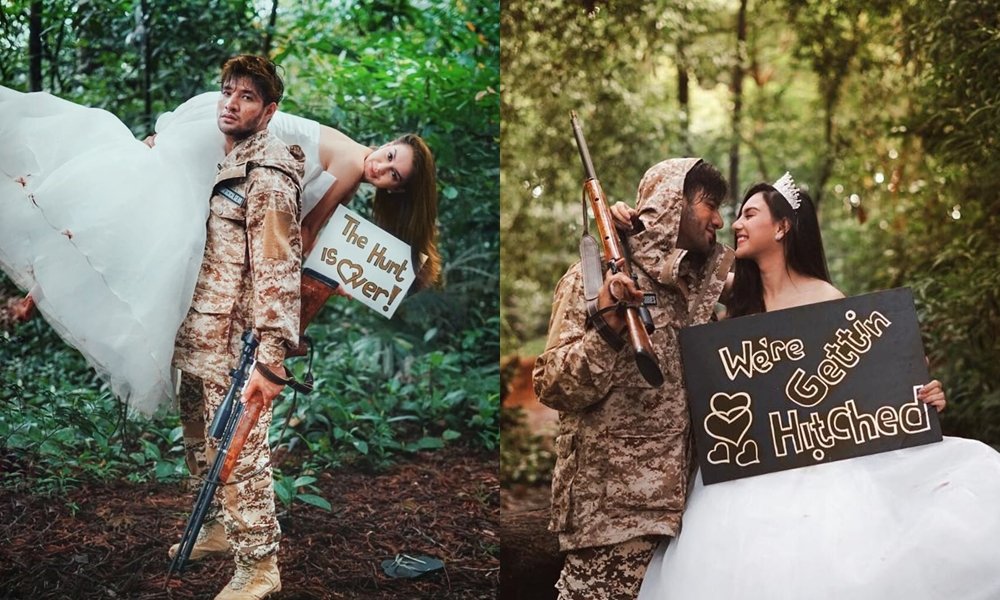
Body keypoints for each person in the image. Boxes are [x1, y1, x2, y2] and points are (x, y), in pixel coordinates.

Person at [627, 175, 1000, 599]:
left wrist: (919, 394)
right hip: (743, 473)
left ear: (782, 227)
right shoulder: (729, 302)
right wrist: (629, 222)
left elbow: (869, 376)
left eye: (750, 214)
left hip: (823, 468)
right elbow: (657, 258)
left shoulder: (825, 298)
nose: (736, 224)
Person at [0, 79, 440, 415]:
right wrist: (295, 279)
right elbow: (304, 233)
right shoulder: (349, 159)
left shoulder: (351, 166)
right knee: (157, 224)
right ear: (385, 144)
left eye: (393, 175)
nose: (379, 167)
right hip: (224, 142)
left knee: (146, 218)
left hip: (228, 140)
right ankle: (44, 253)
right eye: (387, 155)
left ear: (397, 191)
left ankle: (41, 280)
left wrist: (337, 276)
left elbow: (302, 229)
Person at [532, 158, 733, 599]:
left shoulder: (690, 292)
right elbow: (552, 385)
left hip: (684, 519)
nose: (719, 220)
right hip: (612, 520)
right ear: (671, 204)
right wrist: (607, 330)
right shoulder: (592, 277)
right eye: (709, 205)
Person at [163, 53, 302, 600]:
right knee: (200, 441)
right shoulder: (223, 161)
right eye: (228, 91)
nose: (231, 103)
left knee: (240, 451)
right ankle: (219, 532)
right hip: (200, 332)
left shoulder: (267, 174)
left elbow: (277, 269)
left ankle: (260, 565)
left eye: (247, 96)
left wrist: (271, 355)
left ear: (268, 111)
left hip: (238, 343)